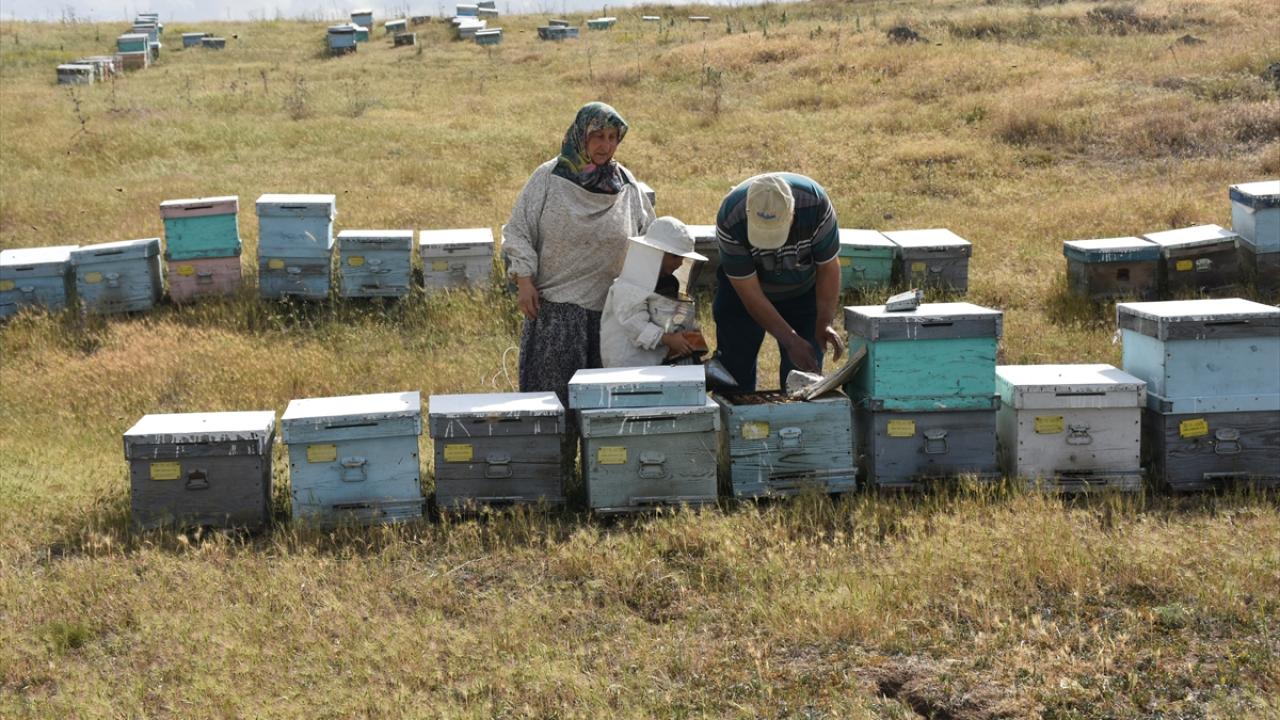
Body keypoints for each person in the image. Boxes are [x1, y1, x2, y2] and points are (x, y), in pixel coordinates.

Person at [503, 102, 656, 403]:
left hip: (611, 315)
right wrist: (523, 281)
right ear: (581, 135)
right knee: (553, 409)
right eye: (598, 136)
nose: (606, 145)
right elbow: (518, 229)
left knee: (601, 415)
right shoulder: (549, 178)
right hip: (557, 315)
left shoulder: (626, 184)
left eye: (613, 137)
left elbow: (648, 238)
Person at [712, 172, 845, 391]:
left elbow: (828, 267)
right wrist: (790, 340)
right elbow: (750, 294)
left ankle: (799, 422)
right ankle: (735, 422)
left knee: (804, 376)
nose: (770, 246)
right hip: (744, 295)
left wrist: (824, 322)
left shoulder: (816, 204)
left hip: (803, 291)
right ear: (748, 212)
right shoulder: (730, 217)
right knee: (734, 375)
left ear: (792, 214)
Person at [600, 216, 707, 368]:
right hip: (627, 364)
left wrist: (688, 334)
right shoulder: (628, 286)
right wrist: (669, 340)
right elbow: (635, 323)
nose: (679, 263)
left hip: (656, 361)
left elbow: (674, 316)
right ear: (654, 253)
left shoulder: (668, 282)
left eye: (682, 258)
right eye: (675, 257)